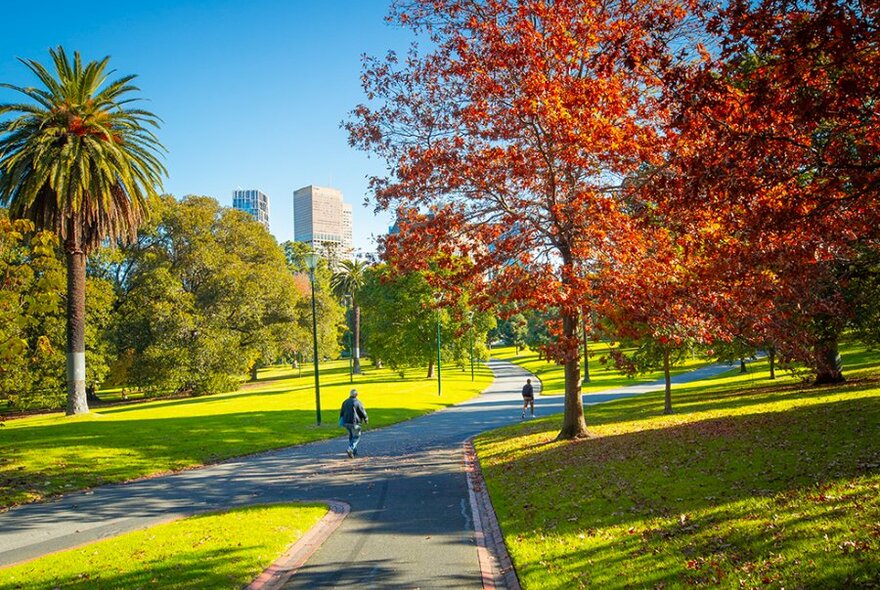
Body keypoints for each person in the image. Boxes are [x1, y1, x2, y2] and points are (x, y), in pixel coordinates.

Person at [339, 388, 369, 458]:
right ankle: (350, 449)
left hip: (346, 422)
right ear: (356, 395)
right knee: (356, 437)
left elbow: (342, 412)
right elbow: (362, 412)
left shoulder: (345, 402)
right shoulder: (358, 402)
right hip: (354, 422)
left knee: (351, 436)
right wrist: (366, 419)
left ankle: (354, 452)